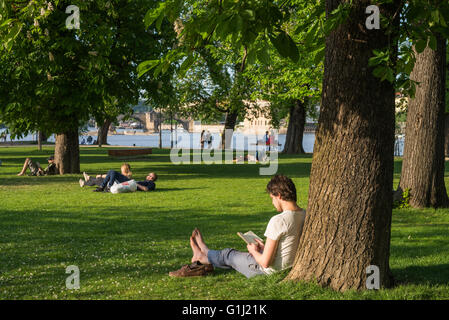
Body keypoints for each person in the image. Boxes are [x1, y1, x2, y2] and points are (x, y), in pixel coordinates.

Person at [169, 175, 306, 278]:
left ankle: (202, 254)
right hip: (287, 267)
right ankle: (204, 256)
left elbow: (265, 263)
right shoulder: (305, 214)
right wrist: (263, 248)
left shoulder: (279, 220)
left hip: (265, 271)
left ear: (279, 196)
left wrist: (253, 250)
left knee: (229, 254)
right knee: (234, 258)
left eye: (272, 198)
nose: (272, 202)